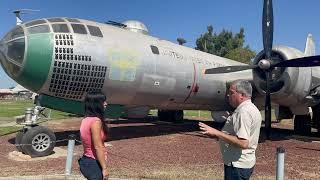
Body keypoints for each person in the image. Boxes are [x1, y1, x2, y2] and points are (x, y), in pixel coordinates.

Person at [199, 80, 262, 180]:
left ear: (242, 95)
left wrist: (217, 133)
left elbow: (243, 143)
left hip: (237, 166)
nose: (228, 95)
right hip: (241, 163)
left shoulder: (243, 112)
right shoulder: (251, 108)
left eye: (232, 92)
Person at [78, 92, 109, 180]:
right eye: (103, 101)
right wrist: (104, 168)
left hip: (86, 160)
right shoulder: (96, 121)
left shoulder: (85, 119)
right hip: (94, 162)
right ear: (96, 104)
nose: (106, 104)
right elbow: (98, 147)